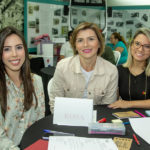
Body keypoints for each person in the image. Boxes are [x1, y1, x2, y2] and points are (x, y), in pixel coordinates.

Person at [49, 22, 118, 113]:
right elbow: (55, 105)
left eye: (91, 39)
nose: (85, 44)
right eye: (80, 40)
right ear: (75, 46)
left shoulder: (111, 71)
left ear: (99, 43)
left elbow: (108, 108)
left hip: (97, 122)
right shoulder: (62, 67)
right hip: (68, 120)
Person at [0, 26, 45, 149]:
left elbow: (39, 123)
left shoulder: (37, 81)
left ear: (25, 50)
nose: (14, 54)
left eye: (19, 47)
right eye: (7, 49)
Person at [108, 28, 150, 109]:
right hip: (124, 116)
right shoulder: (118, 70)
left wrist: (128, 104)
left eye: (147, 46)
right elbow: (114, 100)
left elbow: (124, 104)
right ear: (131, 45)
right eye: (137, 44)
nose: (141, 49)